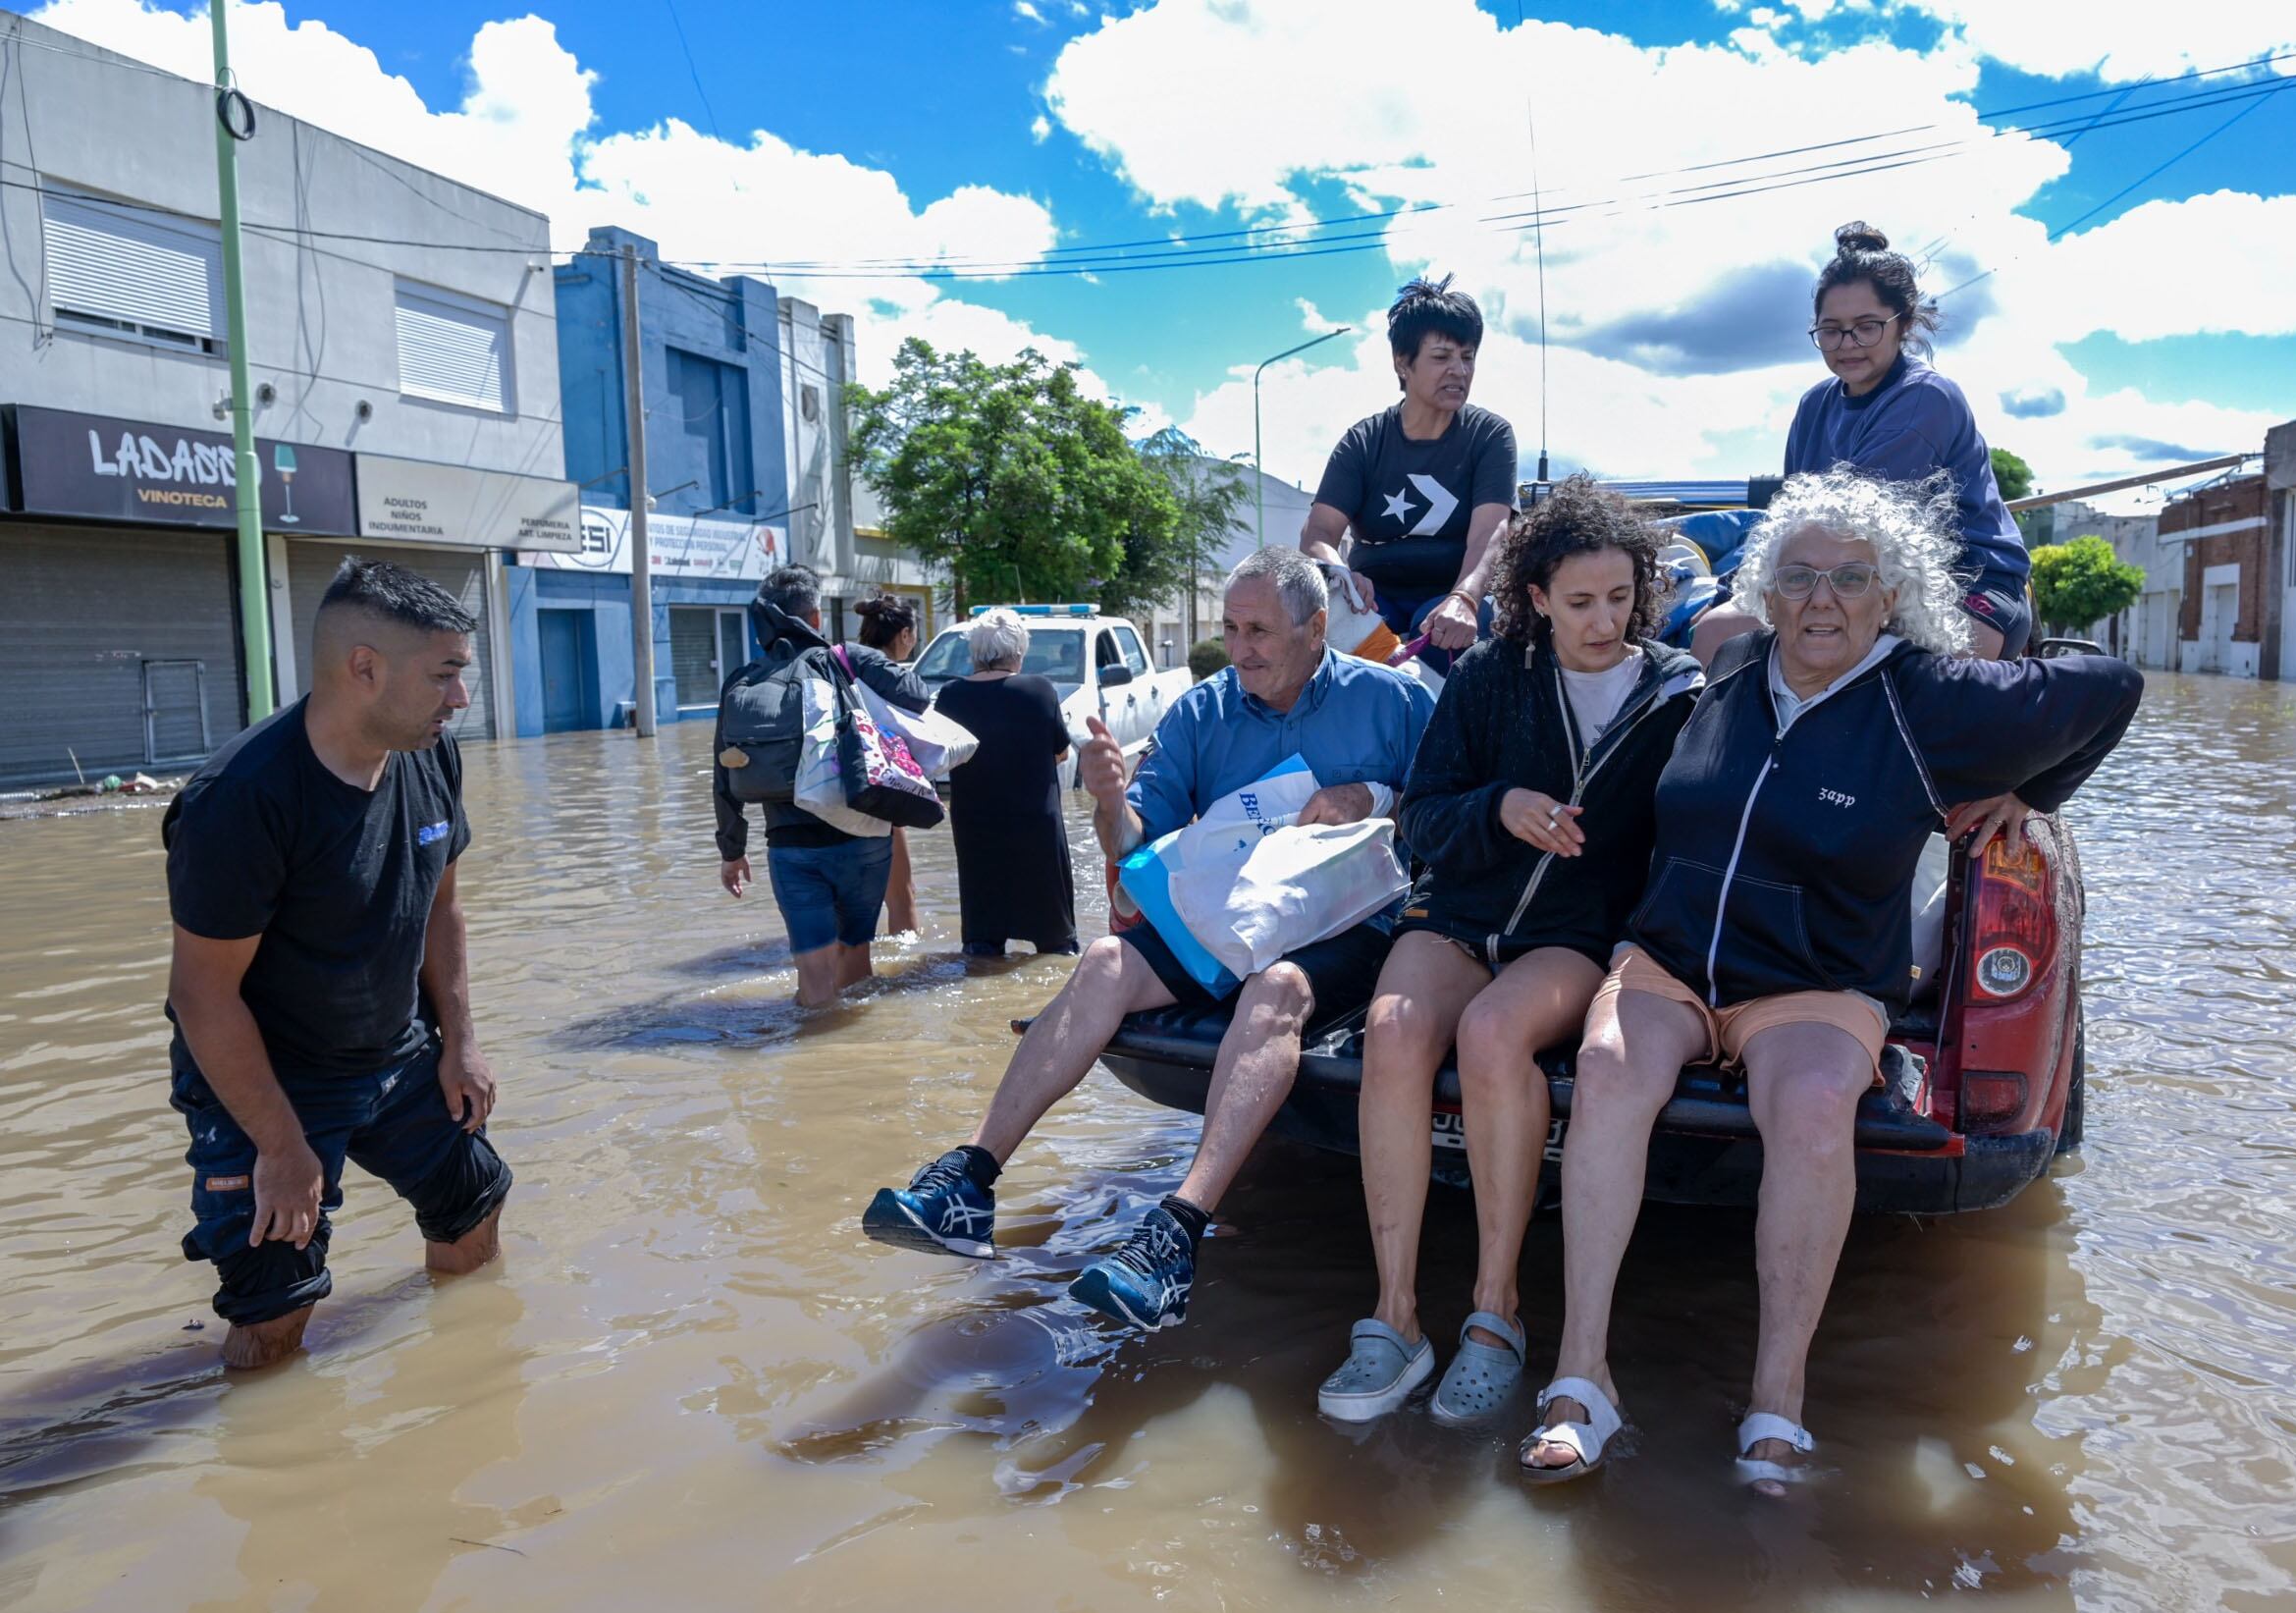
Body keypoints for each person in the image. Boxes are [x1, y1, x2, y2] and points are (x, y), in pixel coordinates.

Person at [1521, 468, 2141, 1492]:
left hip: (1812, 982)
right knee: (1606, 1065)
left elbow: (2112, 689)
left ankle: (1777, 1402)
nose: (1822, 599)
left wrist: (2024, 790)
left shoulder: (1928, 698)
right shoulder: (1726, 669)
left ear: (1890, 593)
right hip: (1671, 962)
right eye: (1799, 576)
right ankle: (1580, 1378)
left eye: (1851, 579)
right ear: (1763, 592)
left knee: (1813, 1106)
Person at [862, 549, 1435, 1330]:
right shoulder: (1202, 711)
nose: (1241, 649)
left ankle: (1176, 1230)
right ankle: (970, 1178)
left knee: (1275, 991)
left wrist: (1376, 799)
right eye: (1231, 629)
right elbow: (1134, 843)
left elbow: (1448, 820)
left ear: (1316, 626)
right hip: (1233, 914)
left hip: (1347, 922)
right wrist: (1106, 799)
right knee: (1103, 960)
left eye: (1260, 630)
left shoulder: (1397, 701)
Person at [1320, 480, 1703, 1425]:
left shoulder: (1678, 691)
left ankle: (1496, 1313)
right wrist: (1499, 807)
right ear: (1534, 594)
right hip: (1457, 912)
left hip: (1570, 937)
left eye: (1621, 597)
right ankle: (1396, 1314)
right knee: (1393, 1029)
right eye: (1579, 601)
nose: (1604, 620)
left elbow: (1701, 825)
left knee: (1494, 1034)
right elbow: (1421, 817)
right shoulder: (1490, 674)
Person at [162, 558, 513, 1370]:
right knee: (274, 1306)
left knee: (475, 1206)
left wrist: (460, 1040)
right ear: (365, 668)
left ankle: (469, 1391)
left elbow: (442, 908)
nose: (461, 699)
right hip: (269, 1076)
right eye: (446, 675)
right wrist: (281, 1149)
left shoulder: (430, 755)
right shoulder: (242, 799)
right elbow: (202, 996)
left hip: (394, 1051)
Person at [1694, 221, 2034, 665]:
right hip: (1843, 577)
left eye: (1867, 326)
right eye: (1831, 330)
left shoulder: (1926, 398)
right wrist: (1731, 587)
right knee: (1711, 628)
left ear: (1903, 325)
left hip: (1969, 582)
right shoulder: (1815, 406)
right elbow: (1789, 526)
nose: (1848, 344)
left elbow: (1855, 531)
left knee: (1724, 635)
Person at [714, 565, 933, 1008]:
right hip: (862, 842)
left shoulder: (742, 680)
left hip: (789, 846)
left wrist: (733, 852)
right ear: (815, 617)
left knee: (812, 973)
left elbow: (724, 774)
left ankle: (810, 1052)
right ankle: (853, 1061)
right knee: (856, 961)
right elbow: (917, 694)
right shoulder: (844, 659)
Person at [1301, 275, 1518, 671]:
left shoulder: (1490, 435)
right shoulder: (1364, 441)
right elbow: (1318, 534)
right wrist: (1342, 576)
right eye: (1441, 357)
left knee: (1443, 634)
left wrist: (1466, 598)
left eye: (1467, 357)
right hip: (1372, 597)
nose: (1459, 370)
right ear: (1403, 363)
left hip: (1451, 591)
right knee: (1329, 636)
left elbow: (1491, 532)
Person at [933, 608, 1079, 957]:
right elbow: (1062, 753)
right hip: (1035, 824)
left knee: (982, 943)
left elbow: (941, 757)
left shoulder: (950, 695)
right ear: (1018, 651)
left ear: (975, 652)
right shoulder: (1039, 690)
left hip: (976, 826)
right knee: (1055, 941)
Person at [856, 594, 926, 938]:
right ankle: (906, 979)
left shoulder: (841, 665)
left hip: (833, 793)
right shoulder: (889, 675)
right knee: (902, 895)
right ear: (904, 635)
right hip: (880, 794)